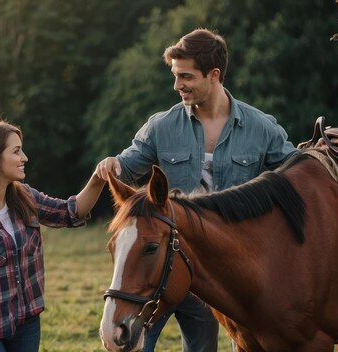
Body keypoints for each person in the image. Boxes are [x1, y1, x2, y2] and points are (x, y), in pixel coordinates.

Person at [96, 28, 296, 352]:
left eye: (185, 76)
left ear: (214, 75)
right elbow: (128, 163)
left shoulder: (262, 128)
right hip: (160, 262)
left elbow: (295, 177)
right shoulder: (161, 126)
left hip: (214, 276)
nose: (177, 86)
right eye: (175, 76)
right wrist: (112, 165)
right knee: (127, 346)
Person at [0, 119, 105, 352]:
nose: (24, 158)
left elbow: (70, 211)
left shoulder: (25, 197)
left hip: (27, 323)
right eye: (16, 151)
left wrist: (98, 177)